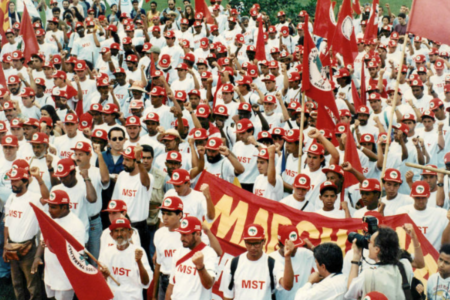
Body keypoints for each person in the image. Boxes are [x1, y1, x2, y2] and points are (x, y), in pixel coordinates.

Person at [31, 190, 85, 300]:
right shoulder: (49, 218)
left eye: (53, 207)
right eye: (49, 206)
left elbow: (78, 255)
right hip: (50, 272)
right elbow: (43, 240)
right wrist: (37, 257)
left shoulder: (76, 225)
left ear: (64, 207)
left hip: (65, 277)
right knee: (50, 297)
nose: (49, 210)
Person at [3, 168, 46, 300]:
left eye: (16, 180)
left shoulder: (33, 198)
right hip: (12, 247)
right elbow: (7, 224)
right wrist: (6, 244)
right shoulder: (11, 198)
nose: (12, 183)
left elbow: (47, 198)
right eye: (11, 181)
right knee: (17, 283)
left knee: (32, 284)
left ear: (25, 181)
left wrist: (39, 179)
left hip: (28, 248)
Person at [220, 223, 294, 299]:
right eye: (248, 243)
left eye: (256, 243)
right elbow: (227, 296)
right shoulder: (233, 263)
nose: (252, 248)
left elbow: (287, 286)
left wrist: (287, 257)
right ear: (244, 242)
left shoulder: (272, 264)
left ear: (263, 242)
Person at [346, 227, 415, 299]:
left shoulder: (368, 275)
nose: (367, 245)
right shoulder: (405, 265)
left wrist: (355, 259)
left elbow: (351, 291)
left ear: (377, 249)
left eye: (370, 242)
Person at [112, 145, 153, 258]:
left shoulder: (148, 176)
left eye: (127, 160)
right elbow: (115, 201)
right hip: (121, 225)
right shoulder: (121, 175)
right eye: (124, 159)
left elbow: (145, 182)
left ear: (136, 162)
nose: (123, 162)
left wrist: (140, 160)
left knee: (142, 260)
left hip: (139, 227)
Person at [165, 216, 218, 299]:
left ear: (197, 234)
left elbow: (208, 284)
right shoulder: (178, 253)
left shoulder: (209, 253)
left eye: (185, 235)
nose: (181, 238)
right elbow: (171, 285)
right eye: (181, 234)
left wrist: (201, 267)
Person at [99, 218, 153, 299]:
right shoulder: (107, 252)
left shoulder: (138, 251)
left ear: (130, 233)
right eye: (116, 231)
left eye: (123, 230)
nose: (119, 234)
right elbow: (100, 281)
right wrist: (104, 276)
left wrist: (139, 262)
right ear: (111, 235)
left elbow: (146, 283)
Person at [270, 225, 315, 300]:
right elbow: (287, 286)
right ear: (280, 245)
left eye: (296, 245)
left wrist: (313, 248)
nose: (294, 249)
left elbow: (327, 265)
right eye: (290, 247)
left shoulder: (305, 253)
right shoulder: (271, 259)